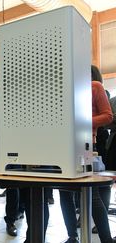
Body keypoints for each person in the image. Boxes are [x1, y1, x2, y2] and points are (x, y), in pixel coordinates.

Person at [59, 65, 114, 243]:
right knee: (64, 192)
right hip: (61, 144)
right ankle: (72, 236)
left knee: (92, 192)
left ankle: (106, 239)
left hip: (86, 145)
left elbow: (108, 116)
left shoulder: (95, 86)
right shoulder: (64, 87)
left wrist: (81, 122)